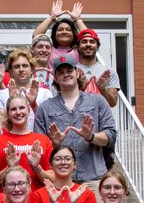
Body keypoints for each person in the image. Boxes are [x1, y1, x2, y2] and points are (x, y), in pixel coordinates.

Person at [34, 54, 117, 183]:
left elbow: (111, 137)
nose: (65, 74)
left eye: (69, 70)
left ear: (77, 73)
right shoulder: (44, 109)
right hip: (59, 182)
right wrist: (53, 144)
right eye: (60, 72)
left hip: (93, 179)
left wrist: (91, 136)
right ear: (55, 78)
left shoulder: (98, 101)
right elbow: (39, 148)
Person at [0, 94, 51, 189]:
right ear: (7, 113)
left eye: (22, 108)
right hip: (6, 200)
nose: (18, 112)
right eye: (13, 109)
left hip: (37, 200)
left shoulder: (43, 140)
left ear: (29, 110)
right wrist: (9, 168)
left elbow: (54, 180)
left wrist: (37, 168)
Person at [30, 145, 100, 203]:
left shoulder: (87, 194)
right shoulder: (38, 195)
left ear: (75, 164)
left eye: (68, 159)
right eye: (57, 159)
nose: (63, 162)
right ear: (50, 165)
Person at [75, 29, 121, 108]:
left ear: (97, 46)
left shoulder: (109, 72)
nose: (88, 44)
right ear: (78, 47)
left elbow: (112, 103)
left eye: (92, 42)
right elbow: (65, 101)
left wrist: (102, 89)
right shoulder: (71, 71)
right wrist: (81, 88)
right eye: (84, 41)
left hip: (102, 119)